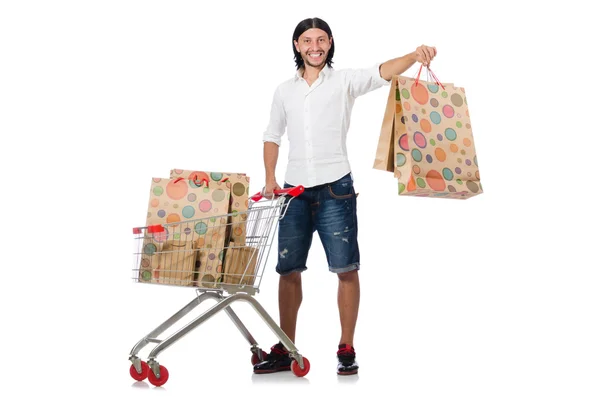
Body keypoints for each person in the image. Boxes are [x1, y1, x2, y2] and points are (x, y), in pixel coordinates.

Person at [254, 17, 436, 376]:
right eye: (307, 40)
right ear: (297, 46)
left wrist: (415, 55)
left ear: (330, 42)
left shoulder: (345, 81)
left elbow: (382, 71)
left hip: (336, 187)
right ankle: (287, 346)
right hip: (293, 193)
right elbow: (272, 136)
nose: (315, 46)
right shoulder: (284, 91)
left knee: (346, 268)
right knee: (288, 270)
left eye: (321, 39)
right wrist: (270, 177)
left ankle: (346, 346)